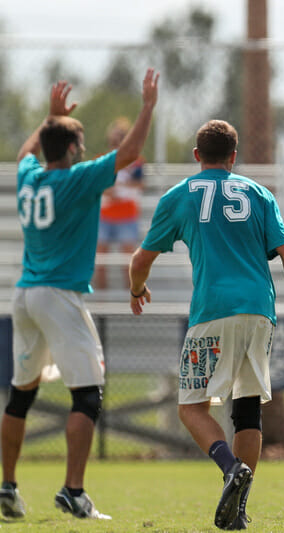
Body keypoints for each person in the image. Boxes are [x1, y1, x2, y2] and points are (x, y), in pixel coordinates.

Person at [128, 119, 284, 531]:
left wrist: (137, 288)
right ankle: (240, 509)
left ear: (197, 156)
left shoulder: (179, 196)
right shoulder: (259, 193)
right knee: (247, 411)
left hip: (212, 311)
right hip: (259, 313)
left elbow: (140, 261)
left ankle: (231, 468)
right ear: (234, 156)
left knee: (191, 408)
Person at [0, 69, 159, 521]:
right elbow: (129, 153)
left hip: (25, 294)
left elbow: (24, 152)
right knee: (87, 396)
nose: (84, 152)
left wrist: (50, 118)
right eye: (80, 145)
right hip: (59, 296)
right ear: (71, 150)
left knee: (21, 395)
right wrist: (147, 106)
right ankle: (73, 491)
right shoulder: (75, 180)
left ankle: (8, 486)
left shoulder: (30, 177)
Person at [94, 117, 146, 290]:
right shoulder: (102, 159)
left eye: (120, 139)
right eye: (114, 140)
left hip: (127, 215)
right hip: (105, 216)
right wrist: (111, 190)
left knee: (128, 264)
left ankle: (132, 303)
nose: (116, 143)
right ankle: (102, 310)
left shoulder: (136, 161)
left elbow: (139, 184)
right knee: (100, 262)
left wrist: (119, 189)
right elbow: (97, 186)